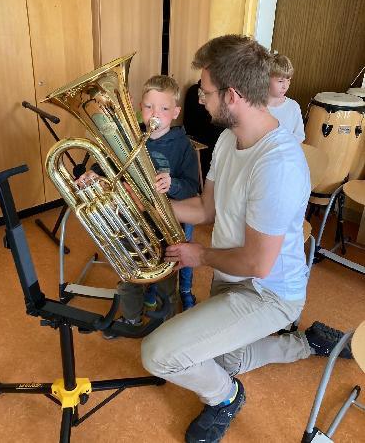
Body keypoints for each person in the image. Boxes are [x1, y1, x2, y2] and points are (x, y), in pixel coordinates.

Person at [141, 35, 352, 443]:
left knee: (159, 354)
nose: (200, 99)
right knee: (225, 356)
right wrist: (143, 203)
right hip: (232, 276)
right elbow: (204, 211)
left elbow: (258, 264)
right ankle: (305, 343)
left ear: (232, 95)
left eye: (205, 92)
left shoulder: (279, 164)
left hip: (268, 292)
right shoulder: (226, 140)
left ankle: (226, 397)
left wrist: (199, 254)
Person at [86, 74, 199, 337]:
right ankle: (131, 319)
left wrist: (172, 184)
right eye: (149, 107)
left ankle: (168, 324)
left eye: (164, 108)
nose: (155, 114)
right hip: (131, 223)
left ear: (176, 112)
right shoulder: (131, 136)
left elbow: (192, 187)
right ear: (139, 107)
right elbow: (112, 164)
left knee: (165, 281)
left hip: (166, 227)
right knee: (130, 275)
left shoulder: (183, 145)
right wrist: (95, 173)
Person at [268, 53, 305, 143]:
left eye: (288, 80)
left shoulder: (294, 107)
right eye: (280, 81)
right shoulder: (255, 105)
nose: (285, 86)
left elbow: (299, 136)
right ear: (265, 79)